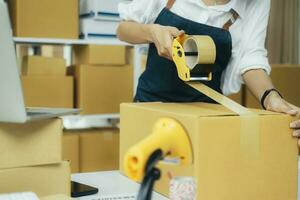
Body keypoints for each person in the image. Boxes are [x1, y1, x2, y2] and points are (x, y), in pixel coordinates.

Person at [117, 0, 300, 144]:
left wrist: (271, 97)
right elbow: (123, 29)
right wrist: (151, 31)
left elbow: (250, 58)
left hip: (204, 119)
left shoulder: (256, 2)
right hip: (150, 109)